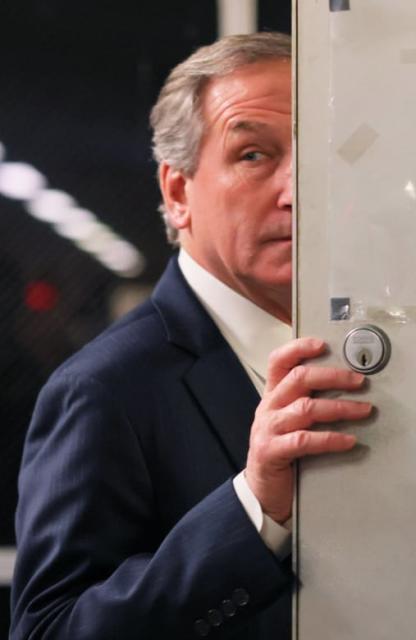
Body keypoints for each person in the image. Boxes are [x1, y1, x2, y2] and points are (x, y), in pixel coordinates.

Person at [11, 32, 371, 639]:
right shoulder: (103, 388)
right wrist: (254, 508)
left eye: (316, 157)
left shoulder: (370, 355)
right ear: (178, 192)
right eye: (253, 155)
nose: (297, 192)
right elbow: (49, 630)